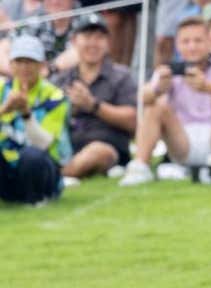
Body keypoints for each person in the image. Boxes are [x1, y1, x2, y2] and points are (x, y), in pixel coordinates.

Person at [120, 16, 211, 186]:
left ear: (209, 41)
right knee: (156, 105)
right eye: (186, 41)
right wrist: (158, 89)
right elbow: (142, 97)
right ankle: (140, 166)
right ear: (177, 45)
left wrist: (208, 86)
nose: (192, 47)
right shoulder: (170, 71)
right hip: (186, 143)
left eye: (198, 41)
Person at [49, 13, 136, 183]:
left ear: (107, 43)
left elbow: (133, 121)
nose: (93, 43)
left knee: (99, 152)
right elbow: (47, 119)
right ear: (74, 41)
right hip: (67, 147)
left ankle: (57, 177)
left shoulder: (121, 76)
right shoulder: (62, 79)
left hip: (108, 146)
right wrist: (67, 110)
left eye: (99, 37)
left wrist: (93, 105)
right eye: (87, 36)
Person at [0, 35, 70, 204]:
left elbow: (43, 144)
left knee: (32, 156)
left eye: (30, 61)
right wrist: (4, 110)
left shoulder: (55, 96)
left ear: (41, 65)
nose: (24, 67)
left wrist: (26, 114)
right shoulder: (2, 90)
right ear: (11, 64)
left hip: (43, 171)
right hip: (8, 168)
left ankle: (37, 200)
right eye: (19, 61)